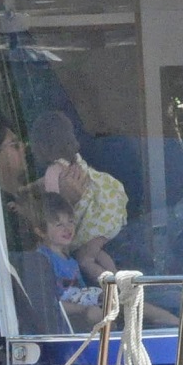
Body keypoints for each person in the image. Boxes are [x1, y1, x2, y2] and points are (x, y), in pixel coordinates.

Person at [29, 111, 126, 285]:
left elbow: (54, 204)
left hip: (96, 219)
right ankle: (118, 278)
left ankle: (116, 291)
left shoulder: (54, 170)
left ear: (41, 147)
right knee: (97, 252)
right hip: (109, 211)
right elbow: (42, 183)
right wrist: (28, 188)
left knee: (84, 259)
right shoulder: (74, 161)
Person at [31, 193, 104, 329]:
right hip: (68, 318)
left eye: (70, 222)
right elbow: (49, 302)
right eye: (59, 225)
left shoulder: (71, 261)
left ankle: (157, 318)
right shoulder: (41, 259)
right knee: (97, 314)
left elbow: (83, 291)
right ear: (41, 232)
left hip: (84, 306)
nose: (67, 228)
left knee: (119, 300)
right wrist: (83, 309)